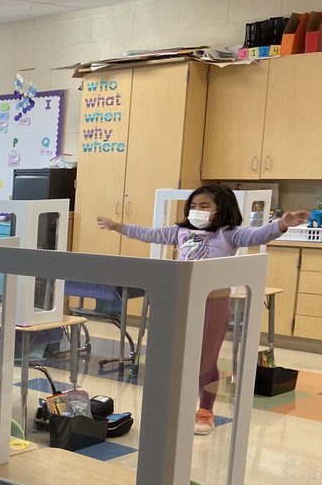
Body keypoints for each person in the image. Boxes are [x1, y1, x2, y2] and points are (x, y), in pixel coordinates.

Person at [97, 183, 307, 435]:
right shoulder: (180, 232)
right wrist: (116, 226)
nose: (197, 210)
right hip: (182, 300)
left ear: (221, 210)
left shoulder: (229, 233)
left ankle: (205, 410)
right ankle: (178, 406)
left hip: (213, 303)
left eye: (204, 206)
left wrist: (282, 224)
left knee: (206, 360)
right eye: (193, 206)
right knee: (178, 358)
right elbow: (149, 233)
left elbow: (258, 236)